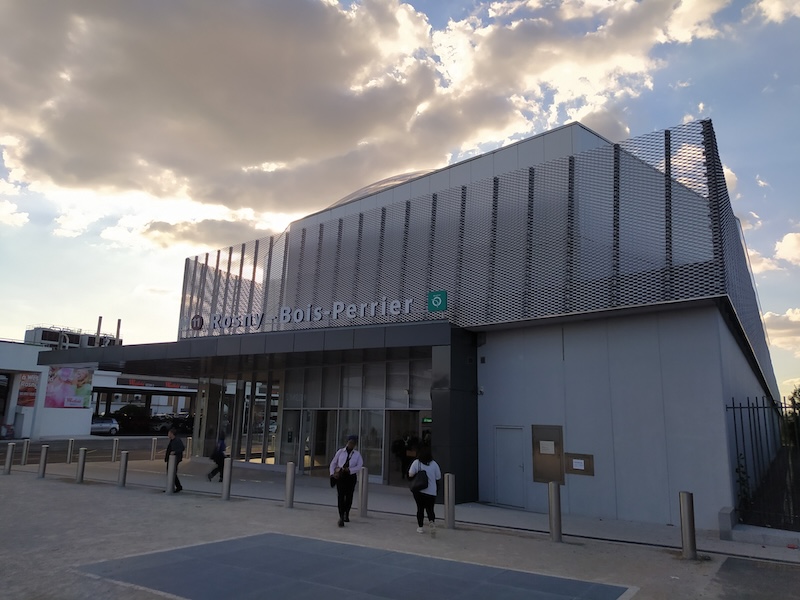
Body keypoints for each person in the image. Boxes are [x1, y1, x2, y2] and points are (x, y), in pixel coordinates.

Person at [329, 435, 364, 527]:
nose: (351, 444)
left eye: (353, 443)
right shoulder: (340, 452)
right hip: (341, 476)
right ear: (347, 442)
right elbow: (333, 463)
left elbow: (359, 466)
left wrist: (350, 470)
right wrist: (332, 473)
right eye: (350, 442)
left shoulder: (357, 454)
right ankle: (341, 515)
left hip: (350, 477)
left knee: (349, 496)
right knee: (340, 496)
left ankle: (346, 513)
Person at [408, 444, 441, 534]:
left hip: (419, 491)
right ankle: (432, 523)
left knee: (420, 509)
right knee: (430, 509)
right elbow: (438, 478)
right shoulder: (434, 464)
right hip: (431, 491)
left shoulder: (416, 463)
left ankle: (420, 527)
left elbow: (410, 474)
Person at [164, 427, 185, 493]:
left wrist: (175, 452)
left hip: (175, 459)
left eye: (169, 433)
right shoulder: (172, 441)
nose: (168, 434)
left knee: (172, 472)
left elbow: (182, 448)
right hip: (171, 459)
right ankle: (174, 486)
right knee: (171, 472)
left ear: (172, 434)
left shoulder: (177, 440)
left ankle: (177, 486)